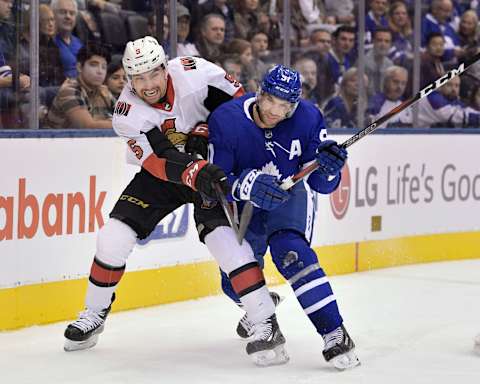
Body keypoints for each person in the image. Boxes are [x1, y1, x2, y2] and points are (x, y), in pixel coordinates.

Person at [63, 36, 288, 367]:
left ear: (164, 67)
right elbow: (157, 161)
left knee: (224, 241)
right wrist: (193, 170)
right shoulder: (126, 112)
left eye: (153, 74)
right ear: (127, 77)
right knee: (112, 238)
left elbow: (240, 103)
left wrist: (211, 132)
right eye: (137, 78)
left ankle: (265, 320)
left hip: (212, 163)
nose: (148, 85)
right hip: (167, 175)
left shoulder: (194, 71)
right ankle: (95, 312)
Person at [208, 64, 360, 370]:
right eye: (271, 101)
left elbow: (320, 185)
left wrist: (331, 168)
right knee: (232, 280)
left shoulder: (308, 117)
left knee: (292, 254)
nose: (277, 111)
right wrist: (246, 185)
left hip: (288, 199)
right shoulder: (226, 119)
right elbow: (214, 182)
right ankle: (258, 307)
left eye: (286, 105)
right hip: (244, 206)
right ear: (260, 93)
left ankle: (335, 333)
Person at [44, 42, 115, 129]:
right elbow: (88, 127)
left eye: (104, 67)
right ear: (79, 67)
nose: (100, 71)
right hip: (55, 141)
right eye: (94, 65)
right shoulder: (69, 90)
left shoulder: (104, 91)